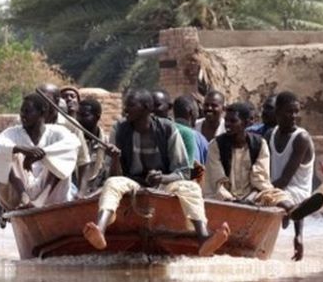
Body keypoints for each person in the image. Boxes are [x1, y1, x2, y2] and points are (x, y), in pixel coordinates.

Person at [83, 89, 229, 255]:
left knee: (190, 188)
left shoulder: (167, 129)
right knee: (112, 183)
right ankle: (100, 230)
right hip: (133, 183)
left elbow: (183, 172)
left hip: (165, 183)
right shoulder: (120, 129)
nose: (125, 110)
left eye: (130, 105)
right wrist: (115, 158)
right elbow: (115, 176)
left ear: (146, 108)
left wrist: (163, 178)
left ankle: (203, 237)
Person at [204, 102, 323, 258]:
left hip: (249, 195)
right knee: (220, 195)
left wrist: (252, 198)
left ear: (248, 123)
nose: (227, 125)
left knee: (276, 194)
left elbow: (259, 179)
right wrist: (232, 200)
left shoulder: (259, 144)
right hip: (221, 196)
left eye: (233, 121)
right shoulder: (216, 145)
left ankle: (292, 210)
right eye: (226, 121)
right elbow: (217, 181)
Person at [0, 93, 80, 213]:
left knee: (62, 158)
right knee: (3, 153)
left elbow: (72, 144)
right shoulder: (12, 133)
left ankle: (41, 203)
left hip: (51, 194)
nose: (23, 116)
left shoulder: (57, 132)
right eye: (22, 111)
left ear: (42, 113)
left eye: (28, 111)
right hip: (20, 189)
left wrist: (43, 154)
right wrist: (21, 150)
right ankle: (24, 198)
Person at [268, 91, 323, 261]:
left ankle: (293, 223)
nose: (293, 116)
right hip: (276, 189)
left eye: (296, 112)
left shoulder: (301, 138)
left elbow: (285, 180)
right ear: (277, 112)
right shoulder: (271, 134)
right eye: (289, 112)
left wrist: (263, 191)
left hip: (297, 193)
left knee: (267, 197)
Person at [38, 83, 90, 192]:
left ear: (56, 101)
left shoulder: (71, 125)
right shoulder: (29, 121)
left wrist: (81, 193)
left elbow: (83, 161)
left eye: (45, 99)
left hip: (63, 185)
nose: (41, 104)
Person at [77, 97, 108, 197]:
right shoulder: (73, 141)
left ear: (97, 117)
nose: (79, 120)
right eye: (78, 115)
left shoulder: (106, 143)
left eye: (84, 115)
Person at [173, 95, 209, 165]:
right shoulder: (197, 138)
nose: (198, 115)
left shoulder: (165, 132)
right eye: (197, 111)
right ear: (190, 112)